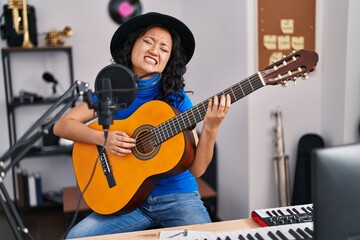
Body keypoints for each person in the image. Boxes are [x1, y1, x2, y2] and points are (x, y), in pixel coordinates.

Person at [54, 12, 231, 238]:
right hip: (128, 201)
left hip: (178, 198)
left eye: (164, 49)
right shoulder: (112, 92)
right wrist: (103, 139)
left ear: (169, 61)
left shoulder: (176, 100)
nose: (154, 50)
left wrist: (211, 128)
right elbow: (62, 125)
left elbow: (196, 169)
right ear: (132, 44)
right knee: (75, 237)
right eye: (148, 41)